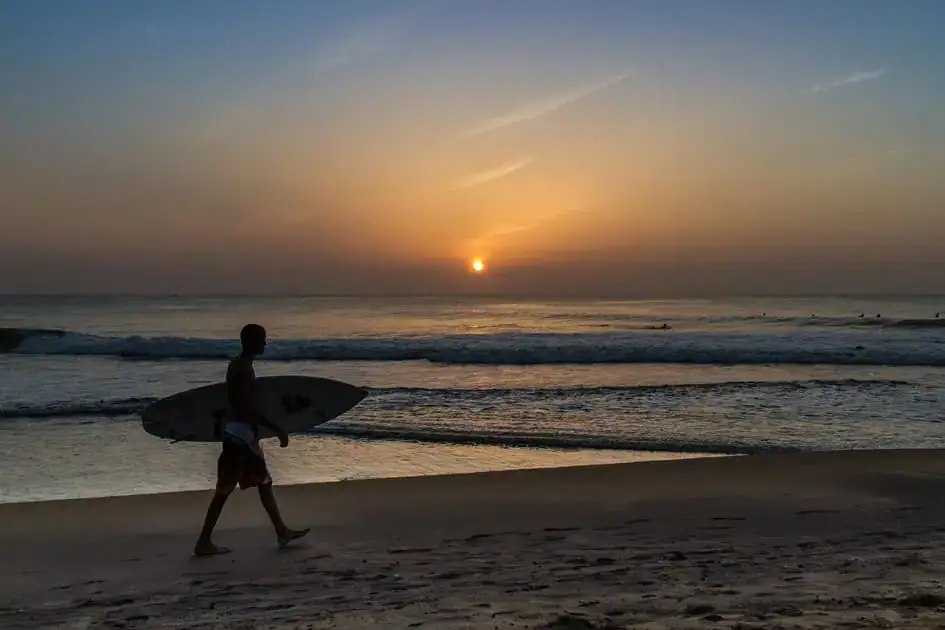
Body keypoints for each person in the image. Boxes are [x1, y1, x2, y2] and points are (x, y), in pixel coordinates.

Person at [194, 323, 309, 556]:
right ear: (250, 342)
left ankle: (281, 531)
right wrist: (276, 428)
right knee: (224, 490)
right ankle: (203, 541)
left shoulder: (237, 365)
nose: (265, 343)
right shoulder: (244, 368)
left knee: (264, 482)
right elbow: (243, 406)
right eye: (262, 339)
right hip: (239, 437)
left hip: (243, 435)